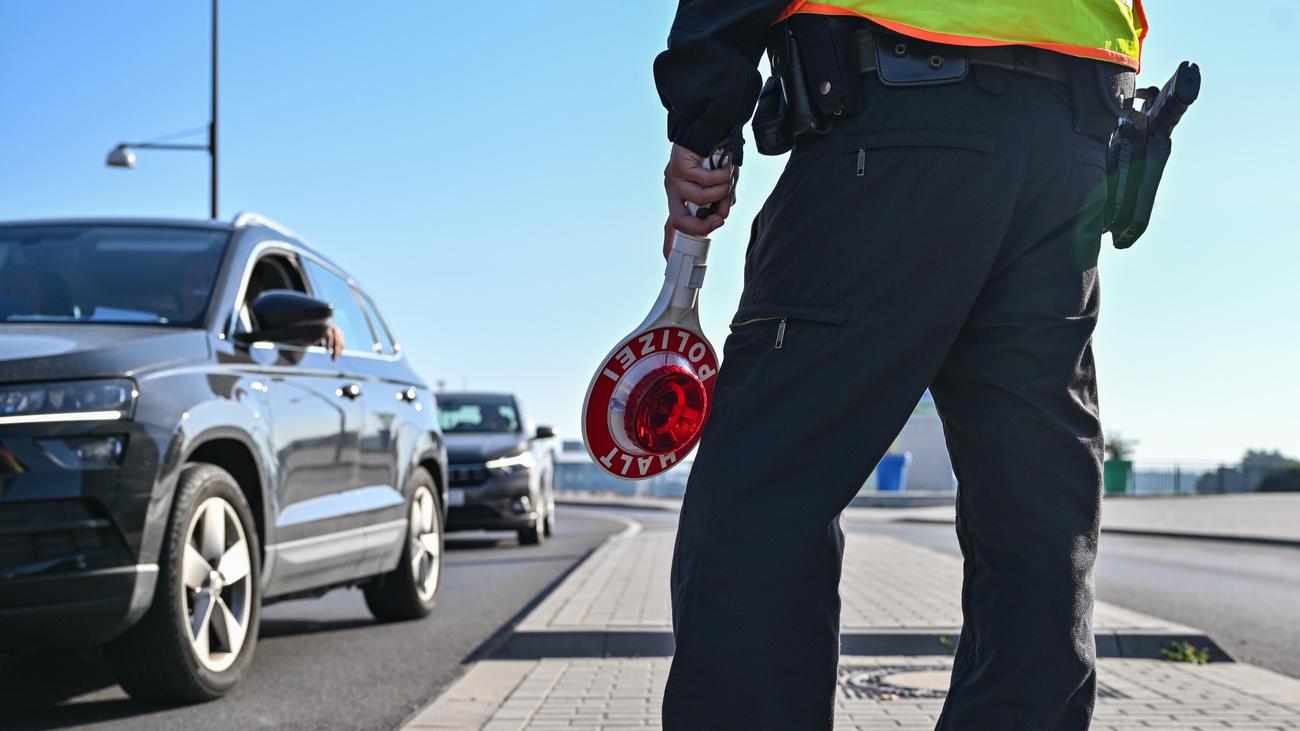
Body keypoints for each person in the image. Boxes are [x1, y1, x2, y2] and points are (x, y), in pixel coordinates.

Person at [654, 1, 1145, 729]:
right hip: (1067, 150)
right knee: (1036, 516)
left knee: (765, 499)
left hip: (894, 121)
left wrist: (704, 124)